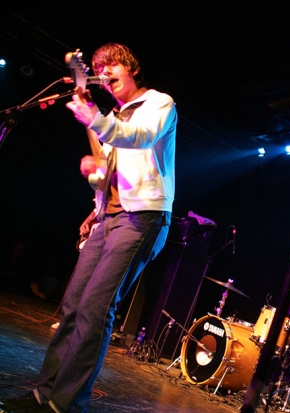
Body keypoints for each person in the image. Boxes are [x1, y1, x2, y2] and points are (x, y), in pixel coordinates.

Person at [0, 42, 176, 413]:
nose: (105, 72)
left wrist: (94, 118)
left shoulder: (159, 104)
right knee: (73, 305)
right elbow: (108, 176)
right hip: (109, 218)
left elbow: (138, 137)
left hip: (142, 218)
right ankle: (43, 393)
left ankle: (65, 403)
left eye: (111, 65)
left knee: (96, 309)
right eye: (97, 67)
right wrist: (94, 178)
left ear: (131, 68)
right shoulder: (112, 114)